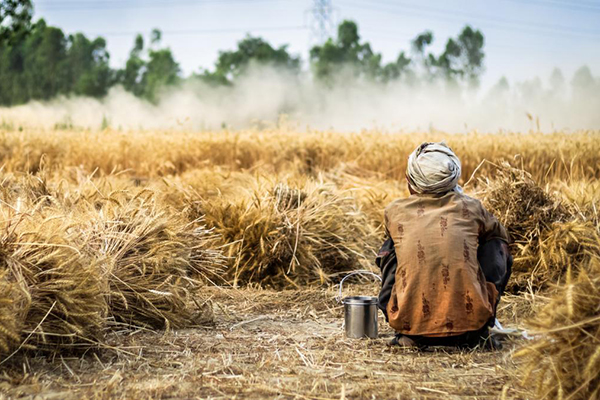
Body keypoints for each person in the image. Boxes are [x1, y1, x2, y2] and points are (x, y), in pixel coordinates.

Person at [377, 142, 512, 348]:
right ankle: (480, 321)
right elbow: (501, 238)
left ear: (410, 182)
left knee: (392, 246)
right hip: (470, 330)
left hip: (410, 326)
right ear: (453, 179)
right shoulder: (473, 207)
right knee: (496, 243)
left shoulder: (394, 211)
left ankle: (408, 325)